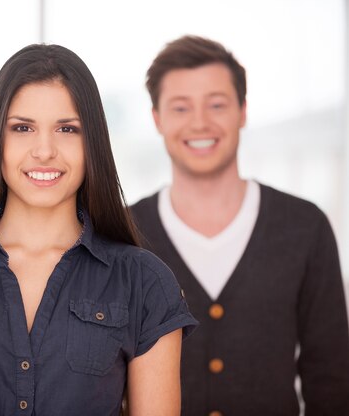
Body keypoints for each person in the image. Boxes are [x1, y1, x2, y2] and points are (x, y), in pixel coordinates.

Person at [0, 43, 197, 415]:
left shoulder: (145, 283)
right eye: (23, 128)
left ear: (92, 143)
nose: (44, 150)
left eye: (67, 129)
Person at [130, 35, 349, 415]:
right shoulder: (124, 231)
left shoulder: (304, 226)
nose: (200, 122)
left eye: (217, 104)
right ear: (157, 119)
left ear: (243, 111)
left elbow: (331, 379)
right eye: (181, 107)